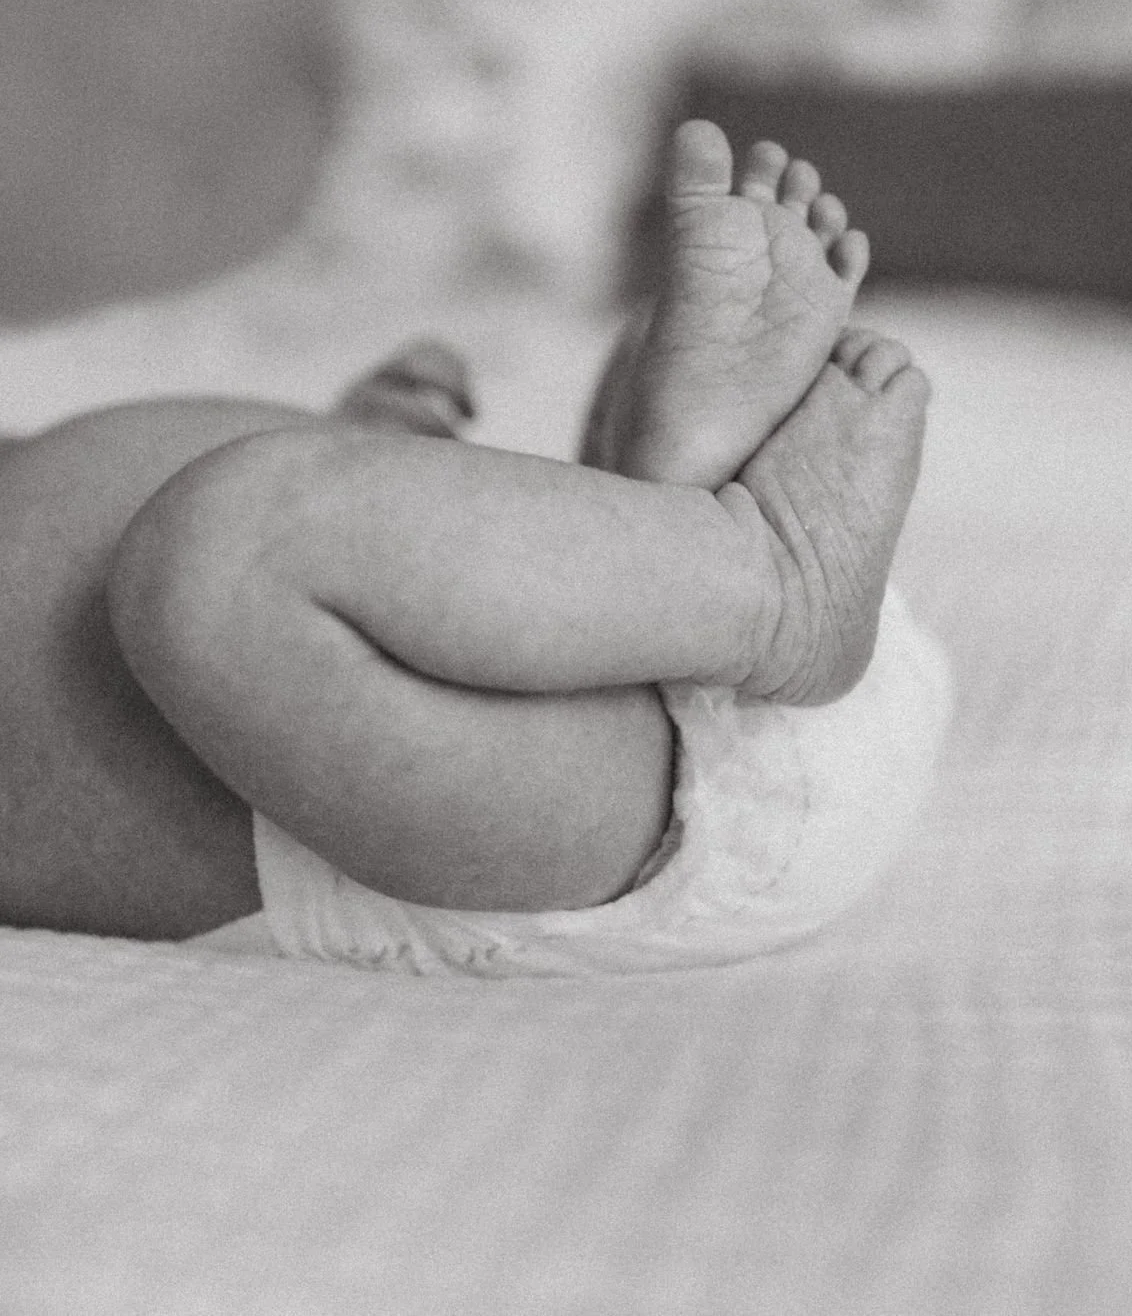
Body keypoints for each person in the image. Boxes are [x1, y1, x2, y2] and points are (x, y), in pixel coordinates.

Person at [0, 120, 950, 975]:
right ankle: (758, 576)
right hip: (564, 807)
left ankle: (661, 507)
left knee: (261, 531)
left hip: (592, 686)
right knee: (226, 557)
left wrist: (361, 447)